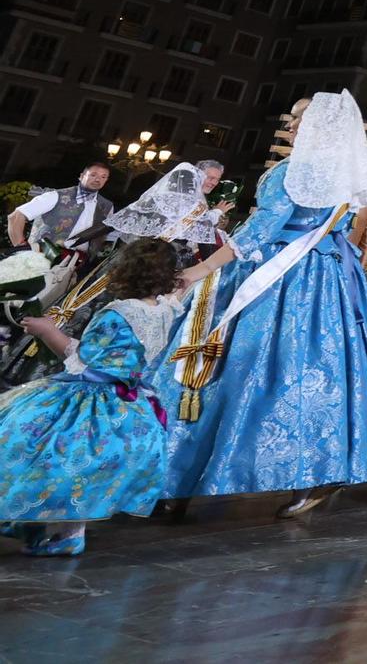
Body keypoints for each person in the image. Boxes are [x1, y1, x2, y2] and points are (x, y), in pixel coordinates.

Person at [155, 91, 367, 519]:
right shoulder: (349, 177)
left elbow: (257, 231)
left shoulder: (289, 173)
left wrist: (199, 270)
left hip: (279, 278)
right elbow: (354, 230)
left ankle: (178, 476)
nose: (291, 127)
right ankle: (319, 471)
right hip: (330, 283)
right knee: (314, 375)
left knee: (232, 365)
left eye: (299, 120)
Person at [0, 237, 179, 556]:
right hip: (133, 403)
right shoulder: (166, 310)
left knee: (25, 439)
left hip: (94, 396)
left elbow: (82, 359)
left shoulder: (117, 313)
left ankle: (25, 515)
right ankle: (69, 532)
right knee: (82, 469)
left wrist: (45, 330)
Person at [107, 160, 234, 267]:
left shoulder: (193, 202)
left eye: (217, 180)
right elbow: (202, 235)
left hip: (142, 256)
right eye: (210, 178)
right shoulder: (192, 205)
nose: (213, 183)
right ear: (196, 175)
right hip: (160, 261)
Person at [7, 162, 114, 253]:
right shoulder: (55, 196)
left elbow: (105, 237)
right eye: (93, 175)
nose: (97, 179)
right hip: (39, 259)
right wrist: (21, 249)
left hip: (76, 266)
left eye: (103, 177)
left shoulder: (107, 206)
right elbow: (16, 216)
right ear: (81, 176)